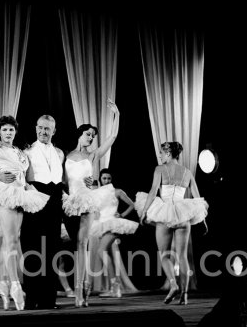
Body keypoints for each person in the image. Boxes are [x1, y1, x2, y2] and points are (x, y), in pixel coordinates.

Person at [0, 98, 49, 311]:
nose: (8, 132)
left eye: (11, 129)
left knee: (10, 243)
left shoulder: (20, 152)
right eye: (4, 129)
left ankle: (4, 284)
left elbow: (26, 174)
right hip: (5, 195)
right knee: (12, 240)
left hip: (21, 194)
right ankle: (15, 286)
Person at [63, 98, 120, 307]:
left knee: (82, 244)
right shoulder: (66, 155)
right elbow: (61, 180)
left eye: (93, 135)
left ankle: (81, 290)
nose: (91, 138)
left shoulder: (93, 155)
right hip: (69, 201)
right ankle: (80, 288)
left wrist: (117, 115)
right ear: (80, 133)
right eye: (88, 134)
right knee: (74, 247)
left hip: (87, 200)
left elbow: (112, 136)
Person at [136, 141, 208, 305]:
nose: (160, 156)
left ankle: (173, 284)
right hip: (183, 213)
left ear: (168, 153)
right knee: (182, 256)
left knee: (165, 254)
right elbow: (197, 198)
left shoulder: (160, 169)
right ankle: (184, 295)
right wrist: (202, 219)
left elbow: (153, 192)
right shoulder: (187, 172)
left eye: (161, 153)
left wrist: (145, 211)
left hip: (165, 213)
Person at [14, 114, 65, 310]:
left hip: (54, 201)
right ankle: (31, 299)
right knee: (33, 249)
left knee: (52, 250)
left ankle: (48, 299)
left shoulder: (60, 153)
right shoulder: (26, 151)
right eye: (40, 128)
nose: (43, 131)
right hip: (35, 199)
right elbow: (21, 177)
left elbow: (64, 179)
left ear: (54, 131)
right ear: (36, 128)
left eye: (47, 128)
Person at [90, 168, 138, 298]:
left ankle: (115, 287)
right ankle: (114, 287)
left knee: (101, 251)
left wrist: (121, 214)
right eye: (104, 178)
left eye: (108, 178)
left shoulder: (117, 192)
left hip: (112, 223)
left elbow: (132, 204)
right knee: (103, 252)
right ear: (100, 179)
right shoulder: (97, 193)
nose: (106, 181)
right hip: (101, 224)